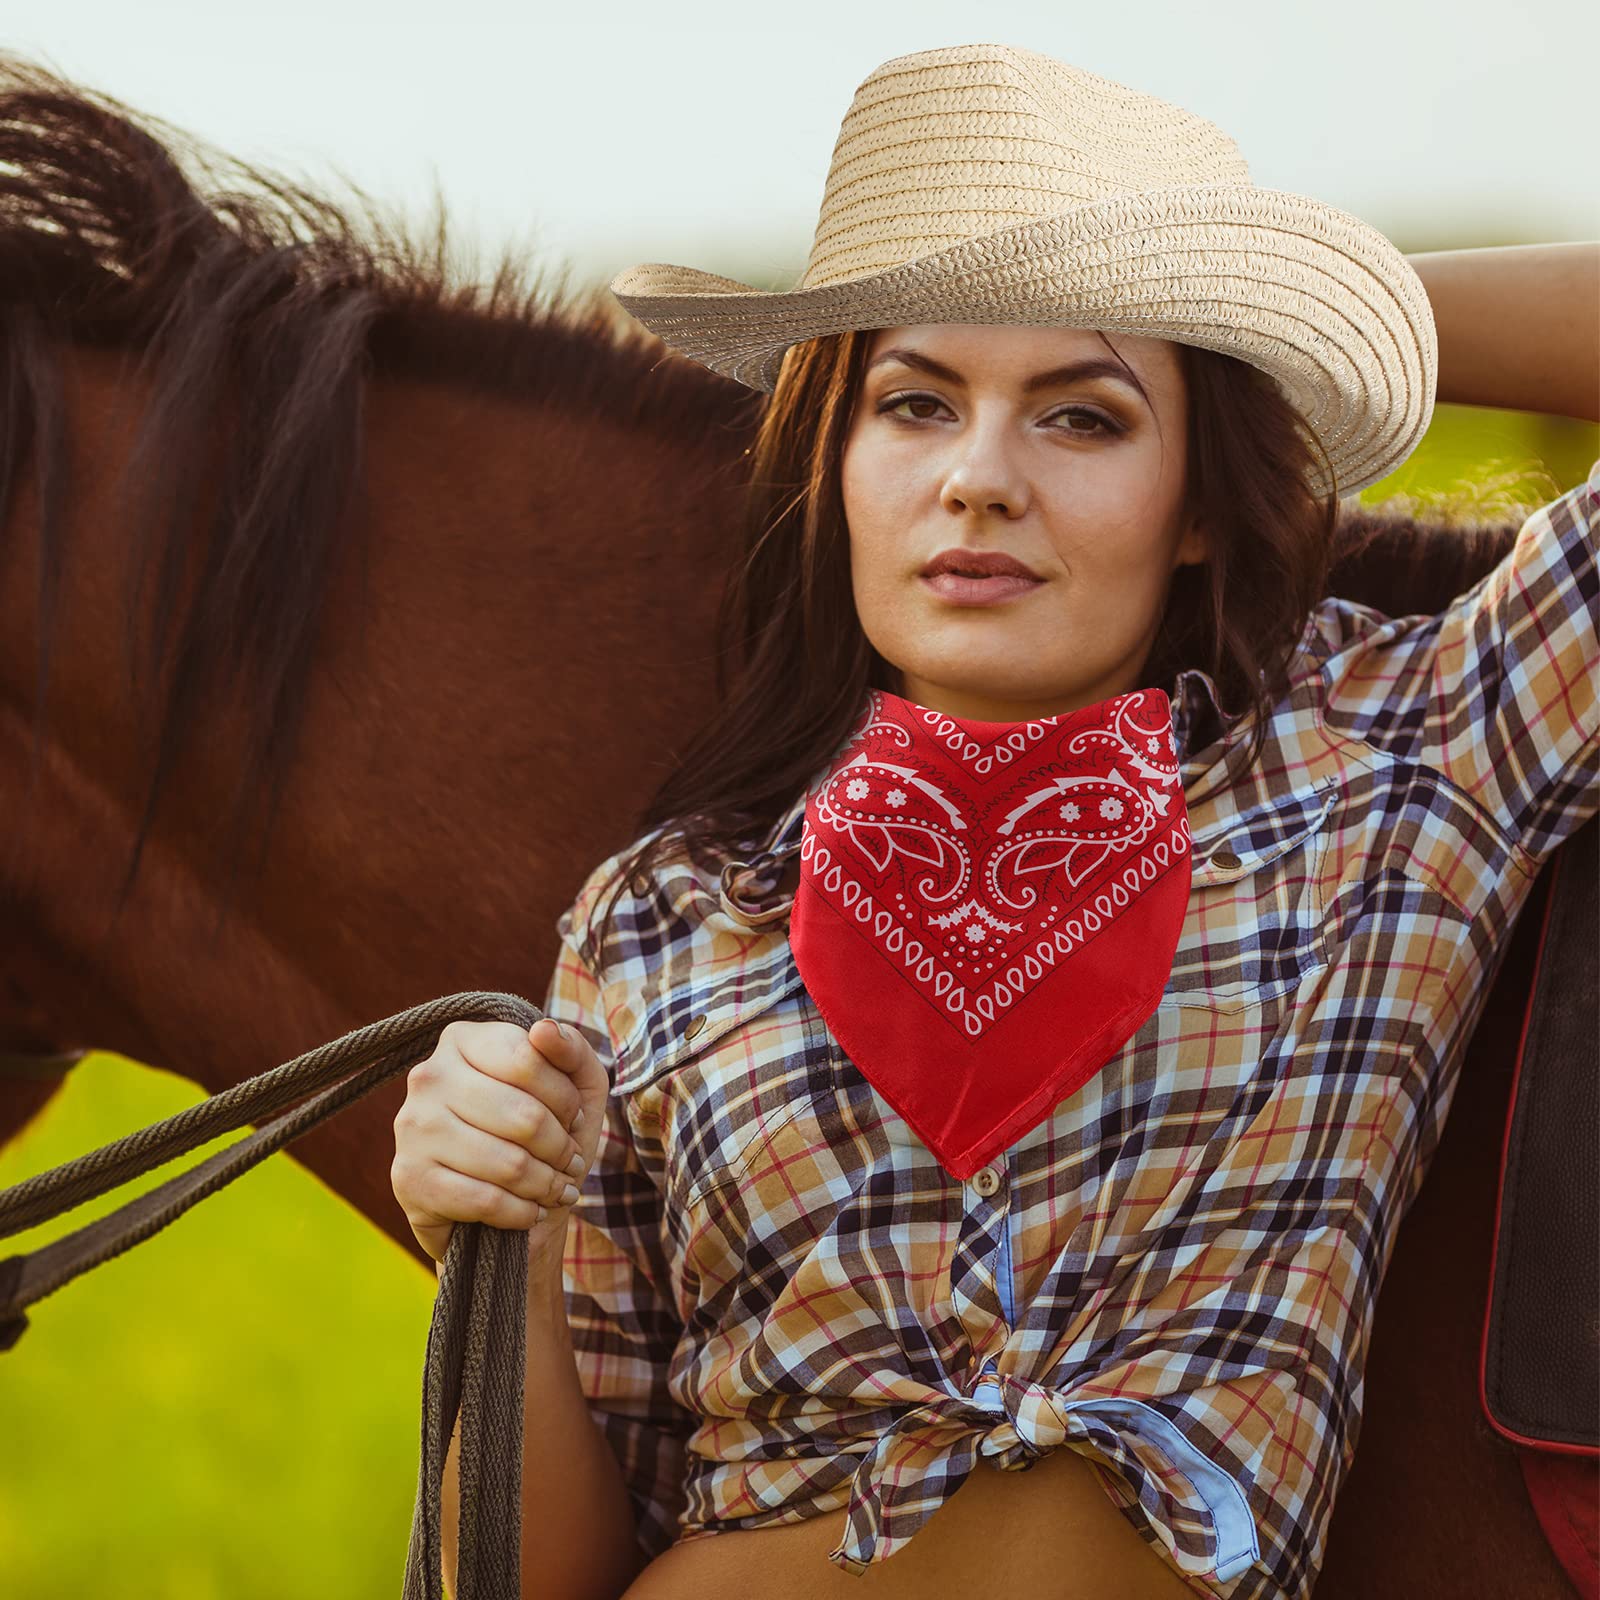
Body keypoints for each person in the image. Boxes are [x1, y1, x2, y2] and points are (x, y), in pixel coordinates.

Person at [389, 42, 1600, 1600]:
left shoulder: (1397, 759)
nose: (977, 479)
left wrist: (1302, 308)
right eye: (914, 403)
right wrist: (492, 1246)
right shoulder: (665, 917)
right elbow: (513, 1580)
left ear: (1204, 501)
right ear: (838, 468)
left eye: (1082, 418)